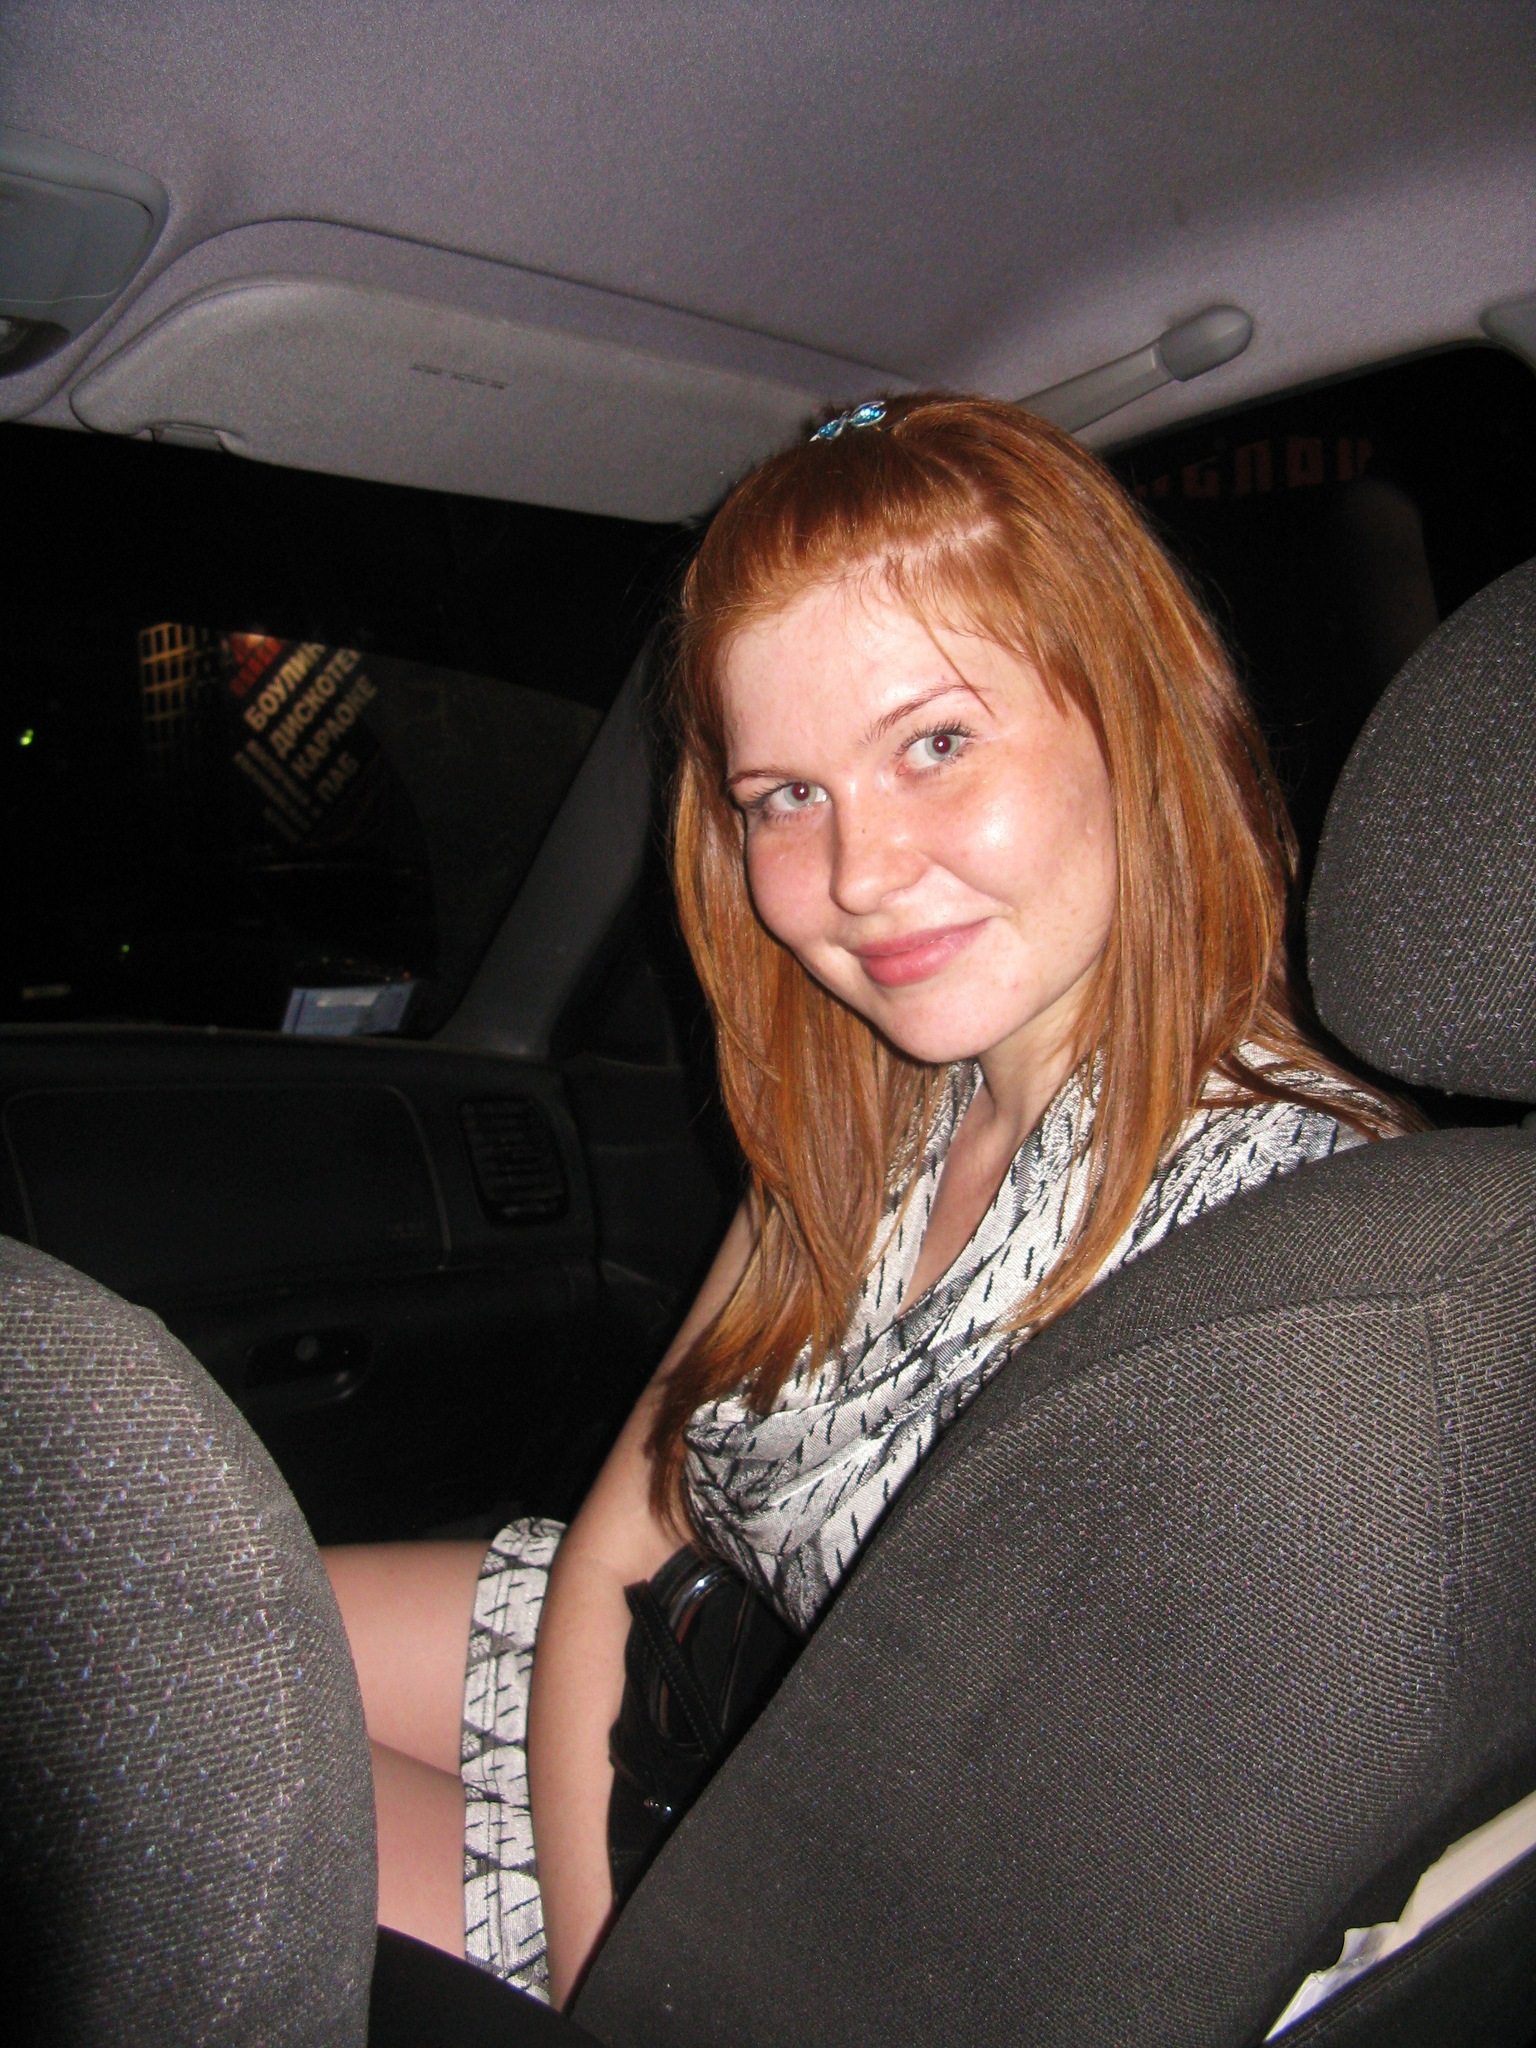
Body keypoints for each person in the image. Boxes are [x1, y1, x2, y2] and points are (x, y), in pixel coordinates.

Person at [323, 393, 1410, 2011]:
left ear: (1138, 719)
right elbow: (630, 1539)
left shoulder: (1284, 1254)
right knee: (130, 1653)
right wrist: (602, 1968)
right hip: (689, 1696)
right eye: (785, 795)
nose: (858, 874)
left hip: (819, 1897)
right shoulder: (884, 1104)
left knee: (176, 1844)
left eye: (935, 744)